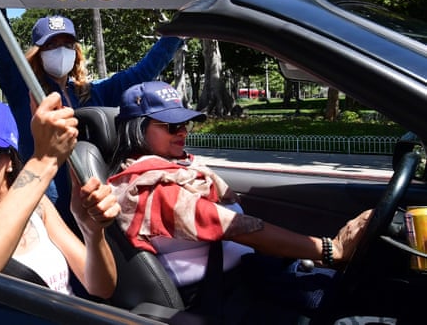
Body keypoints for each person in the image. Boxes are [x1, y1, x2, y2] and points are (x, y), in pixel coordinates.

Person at [107, 80, 371, 318]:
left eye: (185, 123)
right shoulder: (147, 186)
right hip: (220, 296)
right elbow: (235, 227)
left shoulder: (179, 170)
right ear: (137, 129)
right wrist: (330, 249)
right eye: (172, 126)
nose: (183, 132)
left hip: (245, 278)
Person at [0, 0, 184, 212]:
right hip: (47, 207)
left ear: (76, 52)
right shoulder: (25, 90)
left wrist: (181, 27)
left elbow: (144, 71)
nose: (60, 51)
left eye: (66, 44)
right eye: (51, 46)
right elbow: (2, 46)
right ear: (38, 54)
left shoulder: (93, 92)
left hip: (94, 202)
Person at [0, 93, 119, 299]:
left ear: (10, 161)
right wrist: (44, 163)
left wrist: (92, 233)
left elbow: (101, 288)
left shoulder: (38, 207)